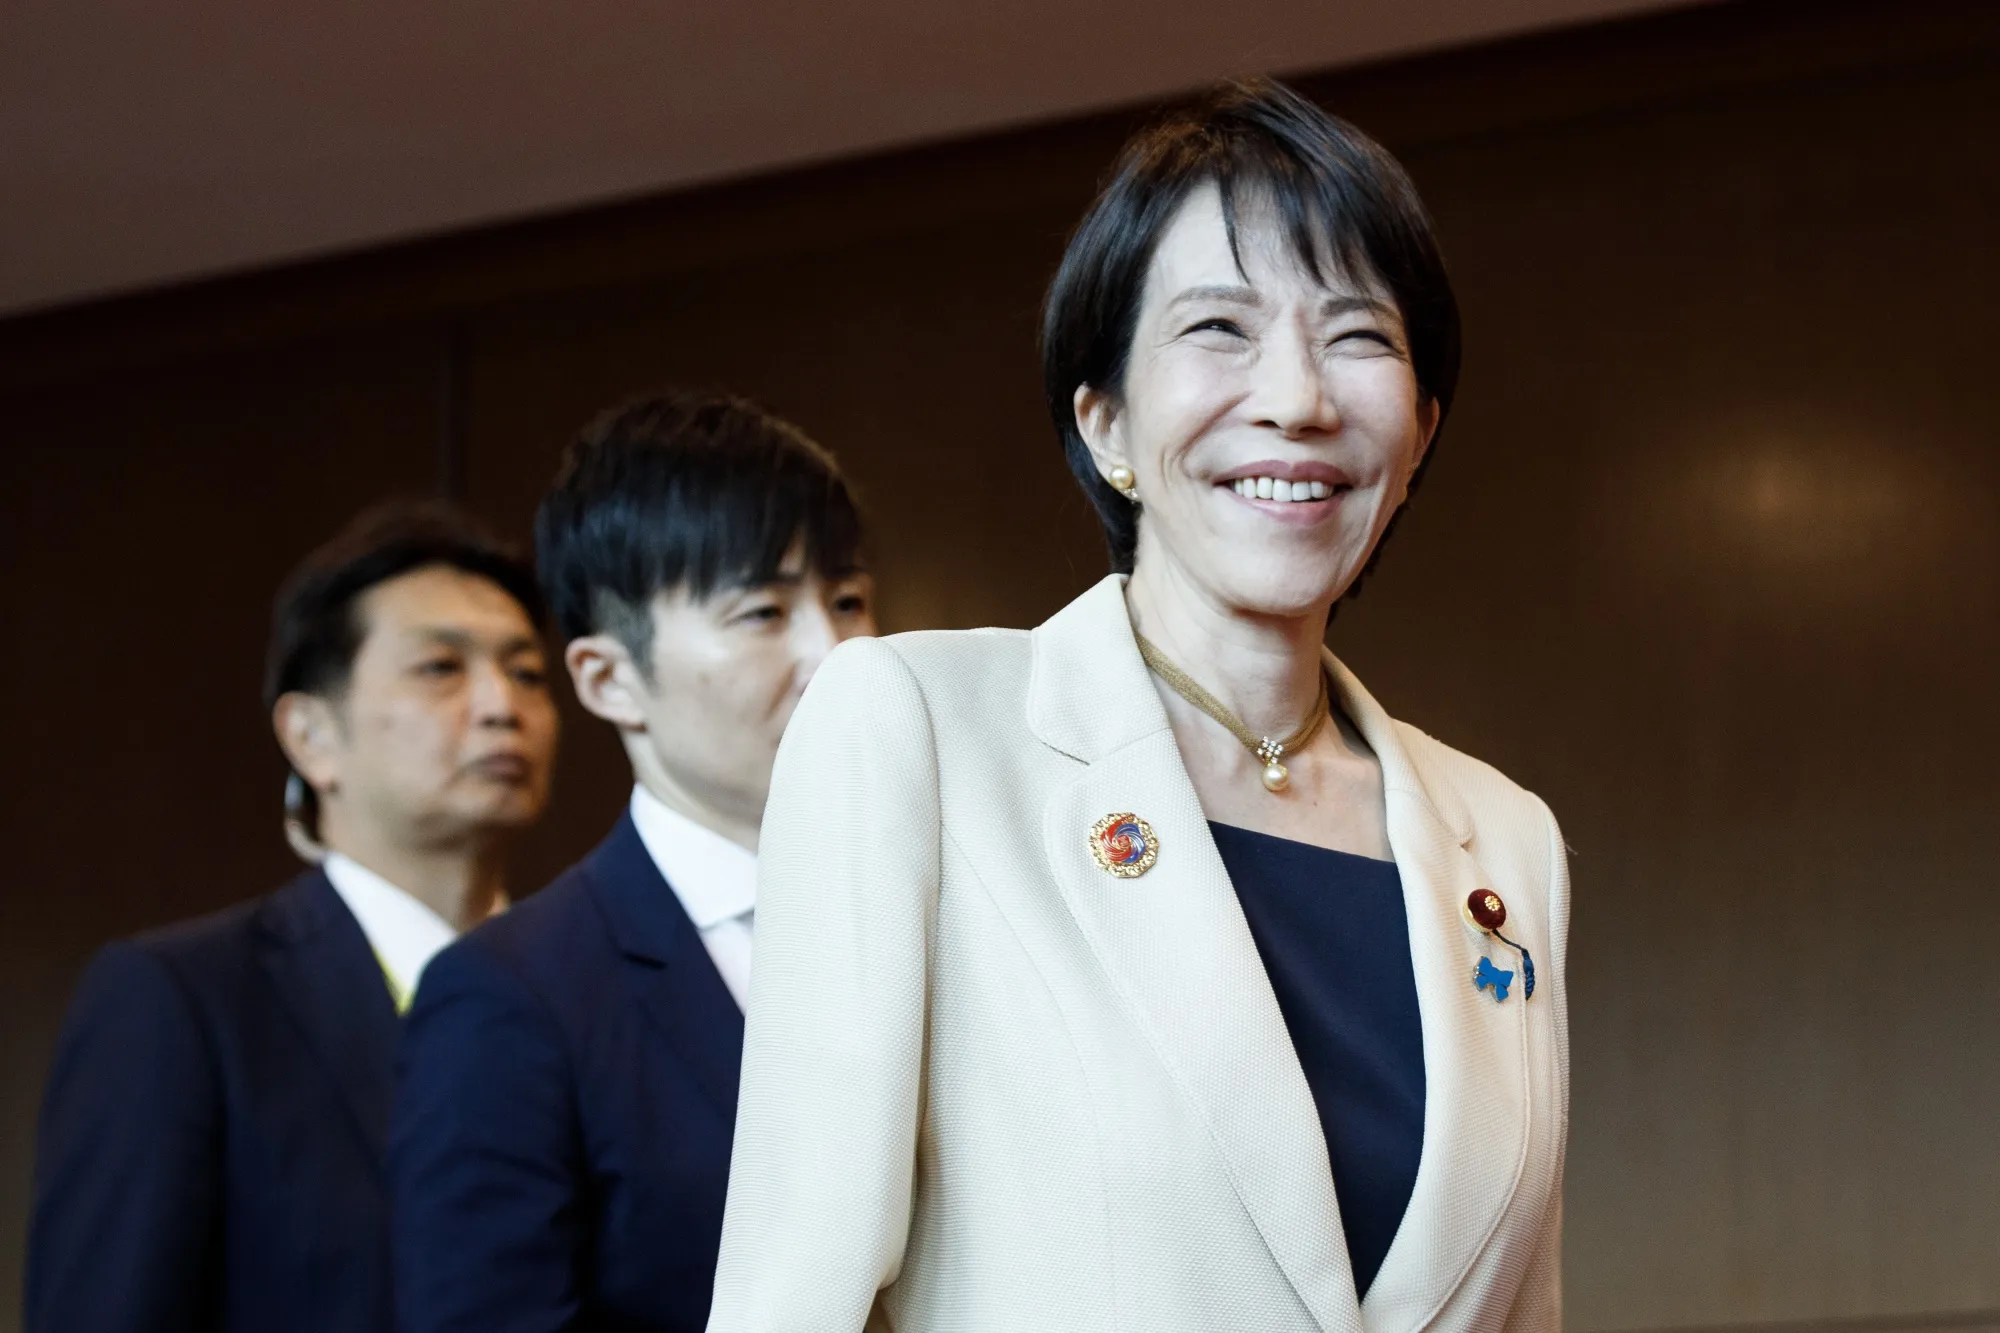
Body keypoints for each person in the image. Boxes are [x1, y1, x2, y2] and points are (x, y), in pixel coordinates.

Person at [707, 79, 1570, 1332]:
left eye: (1356, 335)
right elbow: (792, 1294)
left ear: (1419, 435)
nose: (1297, 398)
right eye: (1218, 327)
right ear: (1104, 421)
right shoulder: (917, 731)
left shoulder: (1505, 837)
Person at [389, 391, 878, 1333]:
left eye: (848, 601)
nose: (838, 652)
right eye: (763, 611)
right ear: (610, 678)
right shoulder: (512, 997)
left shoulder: (949, 912)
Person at [26, 502, 559, 1333]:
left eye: (527, 672)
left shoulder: (588, 990)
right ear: (311, 735)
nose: (502, 705)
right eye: (439, 667)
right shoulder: (185, 1000)